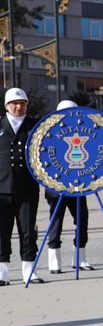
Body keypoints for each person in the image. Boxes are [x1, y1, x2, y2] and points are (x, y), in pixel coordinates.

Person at [0, 88, 44, 285]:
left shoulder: (35, 126)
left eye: (22, 103)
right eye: (14, 103)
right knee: (2, 231)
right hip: (2, 188)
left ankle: (29, 270)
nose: (19, 107)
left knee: (27, 231)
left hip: (27, 188)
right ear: (6, 105)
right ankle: (2, 272)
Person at [44, 99, 93, 274]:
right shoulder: (49, 131)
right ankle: (54, 261)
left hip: (78, 186)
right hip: (56, 187)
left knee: (82, 221)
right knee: (55, 224)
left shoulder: (80, 129)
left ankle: (80, 258)